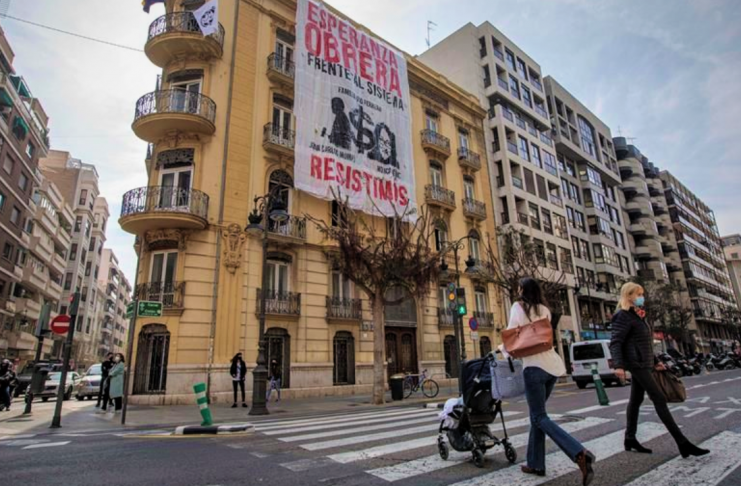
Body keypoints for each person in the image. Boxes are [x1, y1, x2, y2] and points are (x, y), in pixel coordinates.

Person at [502, 278, 595, 486]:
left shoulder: (518, 307)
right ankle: (536, 463)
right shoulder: (545, 309)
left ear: (522, 290)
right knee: (537, 416)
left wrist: (502, 351)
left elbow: (512, 334)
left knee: (539, 416)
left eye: (519, 288)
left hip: (534, 368)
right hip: (553, 367)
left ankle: (579, 453)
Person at [610, 282, 709, 458]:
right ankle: (682, 443)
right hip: (637, 364)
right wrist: (618, 365)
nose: (642, 297)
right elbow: (616, 341)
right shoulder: (622, 315)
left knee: (636, 400)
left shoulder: (638, 315)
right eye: (639, 294)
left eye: (642, 294)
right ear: (629, 295)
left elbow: (644, 342)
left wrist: (655, 361)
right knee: (659, 398)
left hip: (646, 362)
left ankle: (630, 438)